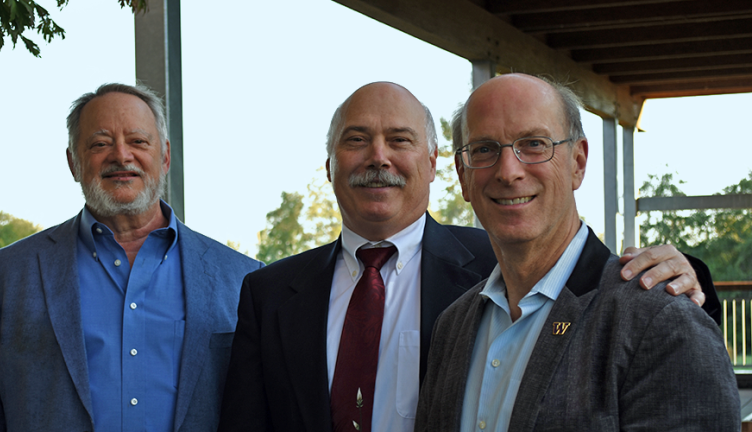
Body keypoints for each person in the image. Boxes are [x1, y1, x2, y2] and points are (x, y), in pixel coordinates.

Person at [218, 82, 719, 432]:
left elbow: (652, 334)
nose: (378, 157)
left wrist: (687, 281)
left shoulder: (502, 267)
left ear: (435, 165)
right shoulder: (463, 317)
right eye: (356, 140)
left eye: (534, 145)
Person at [414, 74, 739, 431]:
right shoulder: (452, 326)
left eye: (534, 144)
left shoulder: (660, 322)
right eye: (485, 149)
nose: (508, 171)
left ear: (578, 162)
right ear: (463, 175)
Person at [0, 83, 263, 432]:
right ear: (73, 162)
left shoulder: (244, 280)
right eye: (100, 144)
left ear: (164, 157)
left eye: (138, 141)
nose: (121, 155)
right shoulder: (2, 276)